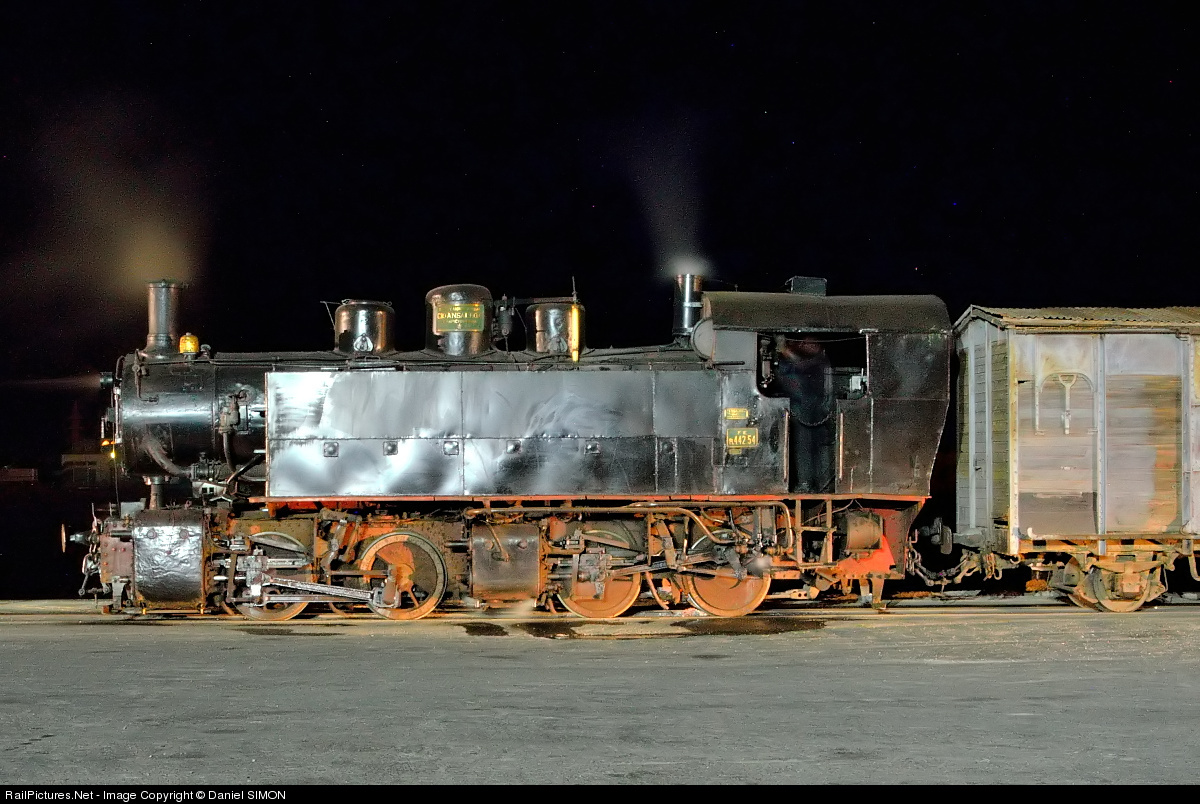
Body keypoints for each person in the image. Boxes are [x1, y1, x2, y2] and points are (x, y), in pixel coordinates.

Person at [773, 336, 834, 493]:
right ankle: (809, 483)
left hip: (814, 409)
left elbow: (801, 366)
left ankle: (818, 483)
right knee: (805, 447)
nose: (804, 345)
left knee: (815, 447)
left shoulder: (819, 361)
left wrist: (785, 351)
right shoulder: (799, 363)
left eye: (809, 343)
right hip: (803, 408)